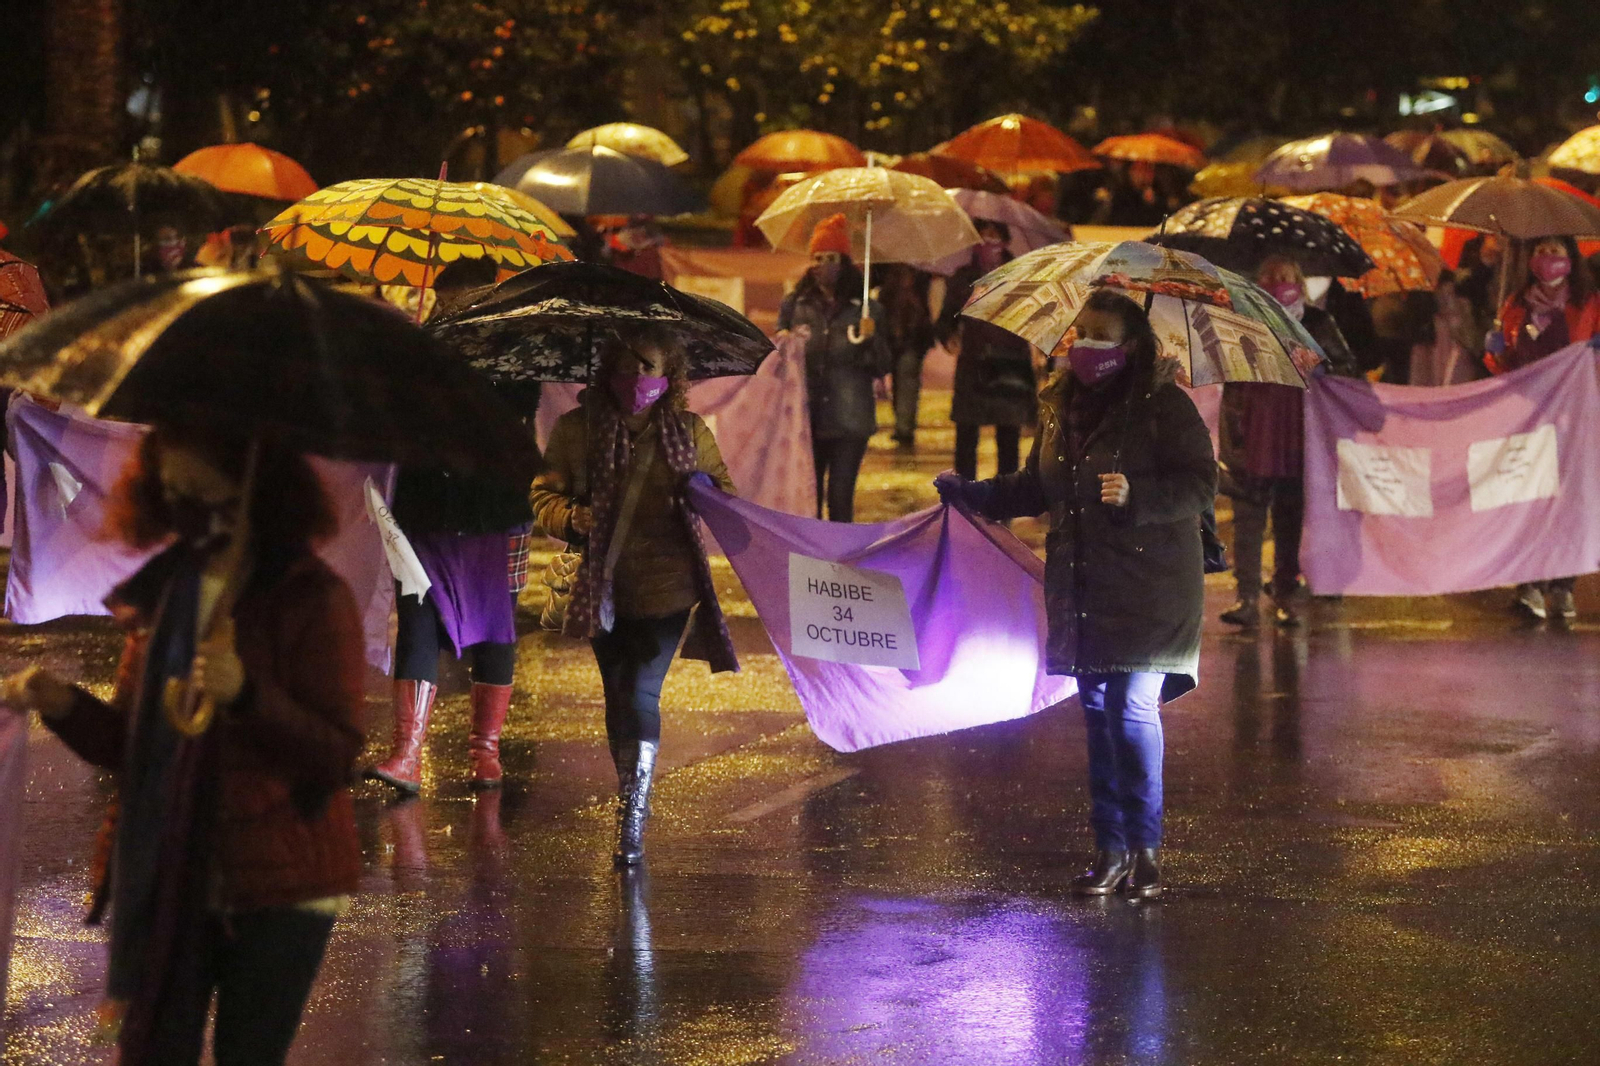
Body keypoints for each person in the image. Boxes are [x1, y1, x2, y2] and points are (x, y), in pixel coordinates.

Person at [1, 425, 365, 1066]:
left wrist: (248, 693)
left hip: (280, 885)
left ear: (250, 490)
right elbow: (133, 746)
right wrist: (63, 705)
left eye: (201, 492)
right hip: (174, 874)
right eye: (173, 494)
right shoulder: (169, 592)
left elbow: (334, 754)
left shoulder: (312, 598)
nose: (187, 513)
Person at [935, 288, 1216, 899]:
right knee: (1095, 713)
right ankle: (1109, 851)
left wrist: (1139, 495)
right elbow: (1037, 487)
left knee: (1130, 710)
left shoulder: (1164, 406)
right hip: (1084, 583)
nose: (1084, 344)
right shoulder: (1062, 407)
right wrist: (973, 494)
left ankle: (1145, 853)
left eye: (1100, 334)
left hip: (1153, 586)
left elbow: (1200, 484)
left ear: (1132, 346)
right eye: (1079, 331)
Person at [530, 328, 738, 865]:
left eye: (647, 365)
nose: (636, 377)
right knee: (617, 692)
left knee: (642, 690)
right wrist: (570, 516)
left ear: (670, 375)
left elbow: (727, 499)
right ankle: (630, 792)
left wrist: (704, 493)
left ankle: (632, 822)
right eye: (625, 365)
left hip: (668, 587)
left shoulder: (689, 432)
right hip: (601, 588)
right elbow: (543, 495)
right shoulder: (577, 430)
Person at [367, 258, 536, 793]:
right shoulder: (415, 351)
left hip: (496, 507)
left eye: (469, 301)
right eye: (449, 303)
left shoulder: (515, 349)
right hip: (425, 507)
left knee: (496, 625)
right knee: (416, 618)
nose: (459, 312)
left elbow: (518, 410)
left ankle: (485, 752)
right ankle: (407, 754)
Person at [1219, 255, 1358, 628]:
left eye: (1285, 276)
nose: (1277, 282)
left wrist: (1318, 363)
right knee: (1248, 521)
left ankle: (1284, 594)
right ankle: (1246, 597)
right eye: (1269, 276)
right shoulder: (1240, 320)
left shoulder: (1317, 322)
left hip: (1299, 436)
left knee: (1289, 521)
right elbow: (1224, 370)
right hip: (1252, 432)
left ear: (1299, 281)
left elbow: (1347, 370)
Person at [1485, 236, 1600, 623]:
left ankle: (1562, 586)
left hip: (1573, 416)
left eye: (1555, 252)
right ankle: (1529, 582)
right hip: (1528, 414)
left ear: (1571, 260)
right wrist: (1496, 349)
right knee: (1529, 496)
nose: (1547, 259)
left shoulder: (1588, 303)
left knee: (1566, 499)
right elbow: (1502, 363)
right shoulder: (1517, 303)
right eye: (1540, 252)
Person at [778, 213, 888, 522]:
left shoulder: (867, 309)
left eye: (829, 257)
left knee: (840, 499)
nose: (821, 265)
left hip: (850, 418)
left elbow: (881, 365)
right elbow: (778, 360)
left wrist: (871, 338)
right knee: (808, 500)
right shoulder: (795, 304)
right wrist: (786, 342)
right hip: (807, 417)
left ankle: (840, 565)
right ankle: (811, 565)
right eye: (816, 257)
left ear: (843, 262)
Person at [937, 220, 1037, 482]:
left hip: (1010, 363)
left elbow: (1035, 316)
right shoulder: (963, 278)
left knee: (1008, 437)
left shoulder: (1020, 276)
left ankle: (1004, 495)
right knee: (967, 436)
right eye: (982, 237)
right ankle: (966, 494)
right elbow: (947, 318)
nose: (988, 244)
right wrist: (949, 336)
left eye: (994, 237)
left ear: (1004, 242)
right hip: (974, 362)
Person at [876, 263, 935, 449]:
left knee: (907, 382)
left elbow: (924, 314)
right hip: (893, 340)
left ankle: (905, 427)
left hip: (912, 341)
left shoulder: (921, 279)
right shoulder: (886, 277)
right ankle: (903, 423)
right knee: (900, 383)